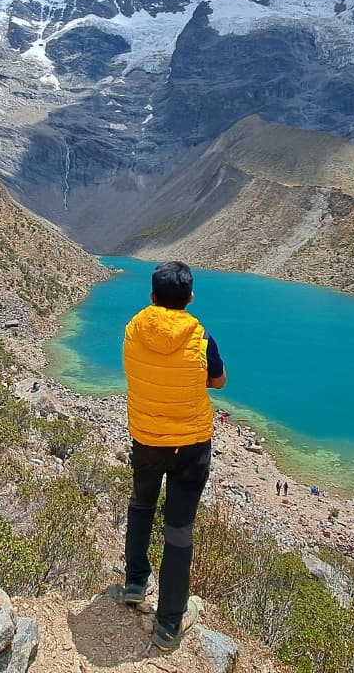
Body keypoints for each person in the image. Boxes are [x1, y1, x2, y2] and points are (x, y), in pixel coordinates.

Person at [121, 261, 227, 651]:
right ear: (190, 298)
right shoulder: (201, 338)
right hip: (191, 444)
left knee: (141, 503)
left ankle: (134, 583)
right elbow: (217, 381)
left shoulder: (133, 329)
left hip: (147, 438)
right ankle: (168, 623)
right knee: (179, 530)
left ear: (151, 297)